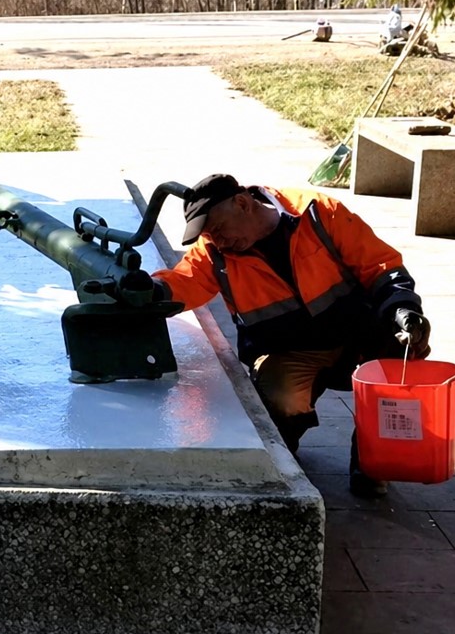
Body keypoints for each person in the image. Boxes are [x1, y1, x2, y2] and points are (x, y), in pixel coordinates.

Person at [151, 174, 432, 498]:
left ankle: (373, 463)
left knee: (400, 358)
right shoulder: (215, 252)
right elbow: (185, 281)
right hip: (288, 351)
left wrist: (403, 307)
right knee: (279, 399)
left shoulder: (316, 211)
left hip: (358, 337)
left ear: (242, 203)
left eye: (218, 229)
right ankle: (285, 449)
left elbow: (379, 264)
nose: (218, 240)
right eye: (209, 235)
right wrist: (153, 290)